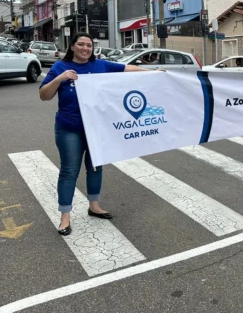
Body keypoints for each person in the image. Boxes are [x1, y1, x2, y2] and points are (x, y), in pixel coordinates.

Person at [39, 33, 156, 236]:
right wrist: (60, 78)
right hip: (69, 128)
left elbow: (129, 69)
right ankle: (65, 216)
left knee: (95, 167)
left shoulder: (100, 65)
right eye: (81, 44)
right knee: (69, 171)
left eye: (89, 45)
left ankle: (94, 206)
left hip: (97, 128)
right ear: (73, 46)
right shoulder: (60, 67)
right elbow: (44, 96)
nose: (85, 48)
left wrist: (155, 73)